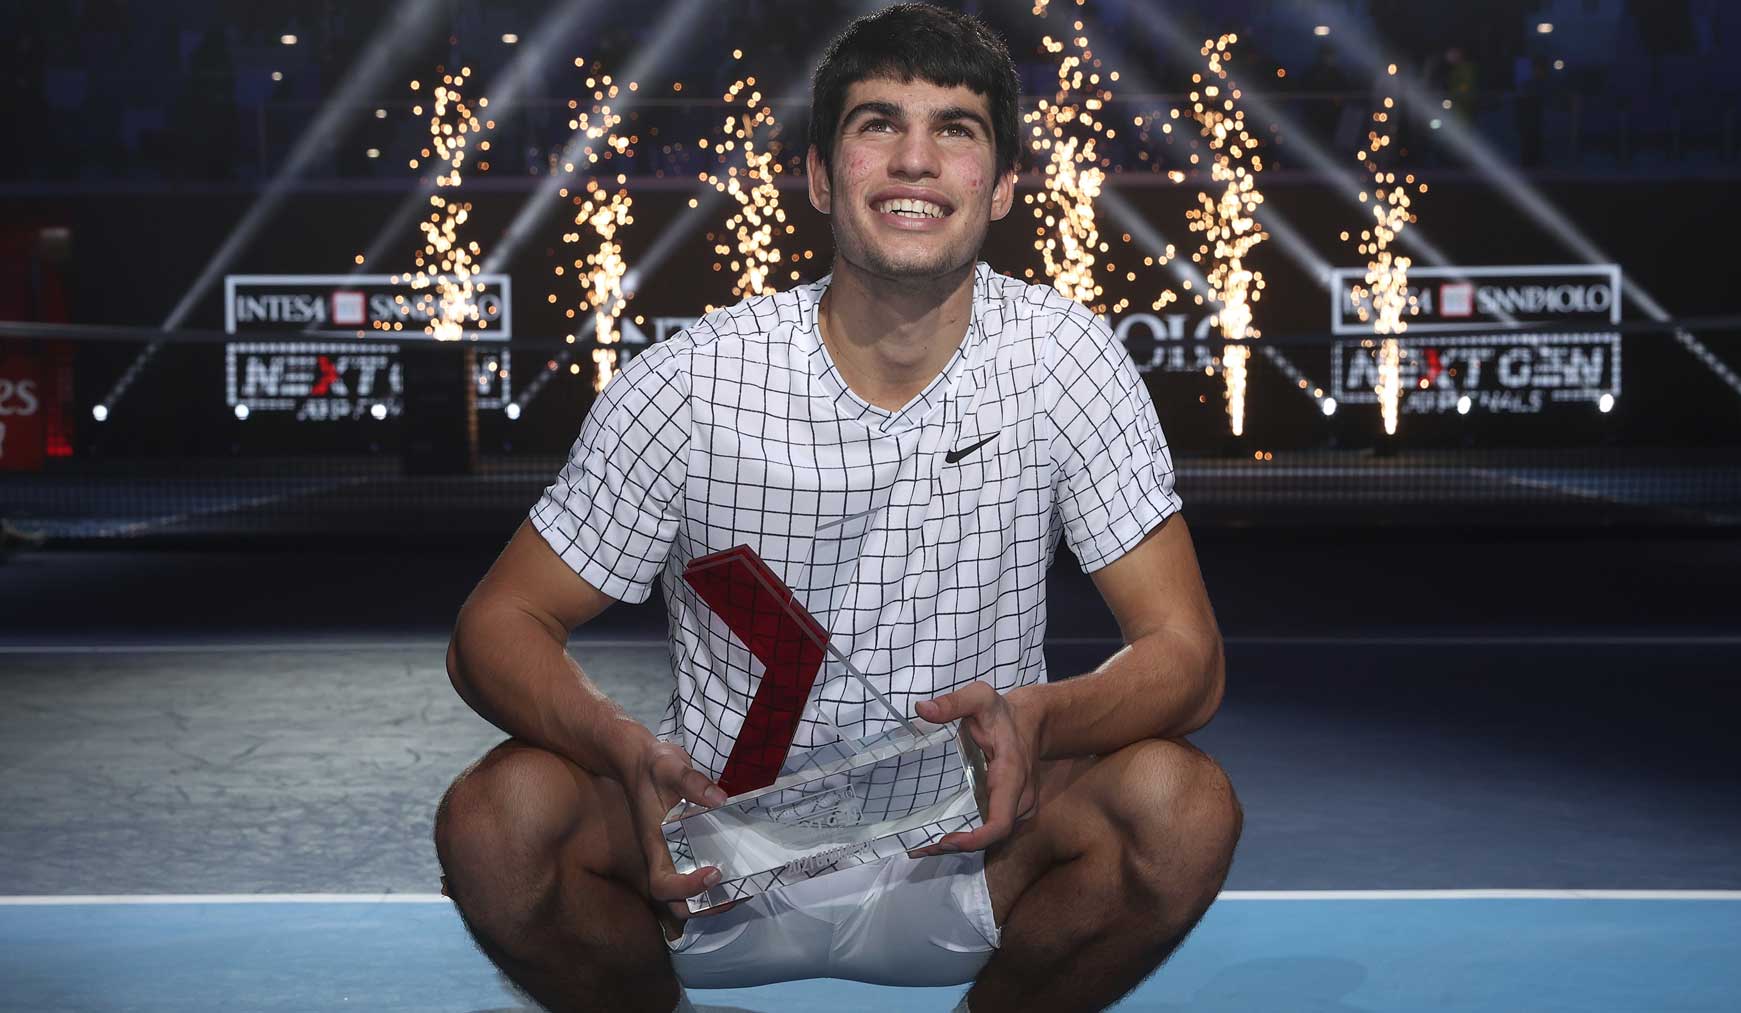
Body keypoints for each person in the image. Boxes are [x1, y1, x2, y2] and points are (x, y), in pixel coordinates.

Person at [434, 6, 1240, 1012]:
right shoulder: (691, 382)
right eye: (877, 125)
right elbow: (494, 628)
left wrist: (1042, 715)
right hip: (710, 860)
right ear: (820, 176)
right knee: (496, 817)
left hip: (969, 844)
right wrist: (615, 743)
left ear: (1000, 186)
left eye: (955, 129)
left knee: (1181, 805)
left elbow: (1187, 655)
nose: (914, 160)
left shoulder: (1062, 359)